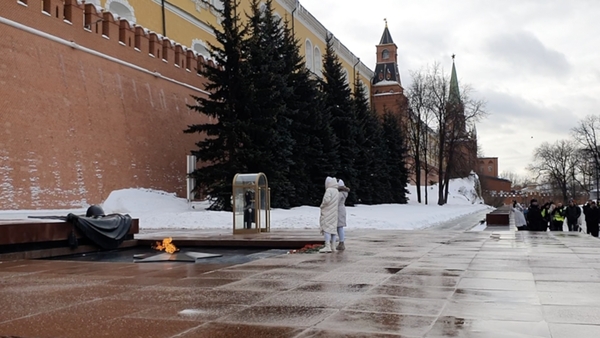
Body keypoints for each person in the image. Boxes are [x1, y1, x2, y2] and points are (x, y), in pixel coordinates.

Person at [319, 176, 339, 253]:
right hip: (334, 212)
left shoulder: (329, 190)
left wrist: (322, 205)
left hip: (327, 211)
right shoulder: (336, 191)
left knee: (326, 228)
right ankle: (333, 246)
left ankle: (327, 246)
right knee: (333, 229)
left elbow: (326, 200)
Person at [336, 179, 350, 250]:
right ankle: (341, 242)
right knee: (340, 227)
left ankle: (341, 242)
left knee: (339, 227)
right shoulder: (344, 193)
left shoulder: (340, 193)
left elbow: (336, 201)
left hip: (339, 210)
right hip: (342, 209)